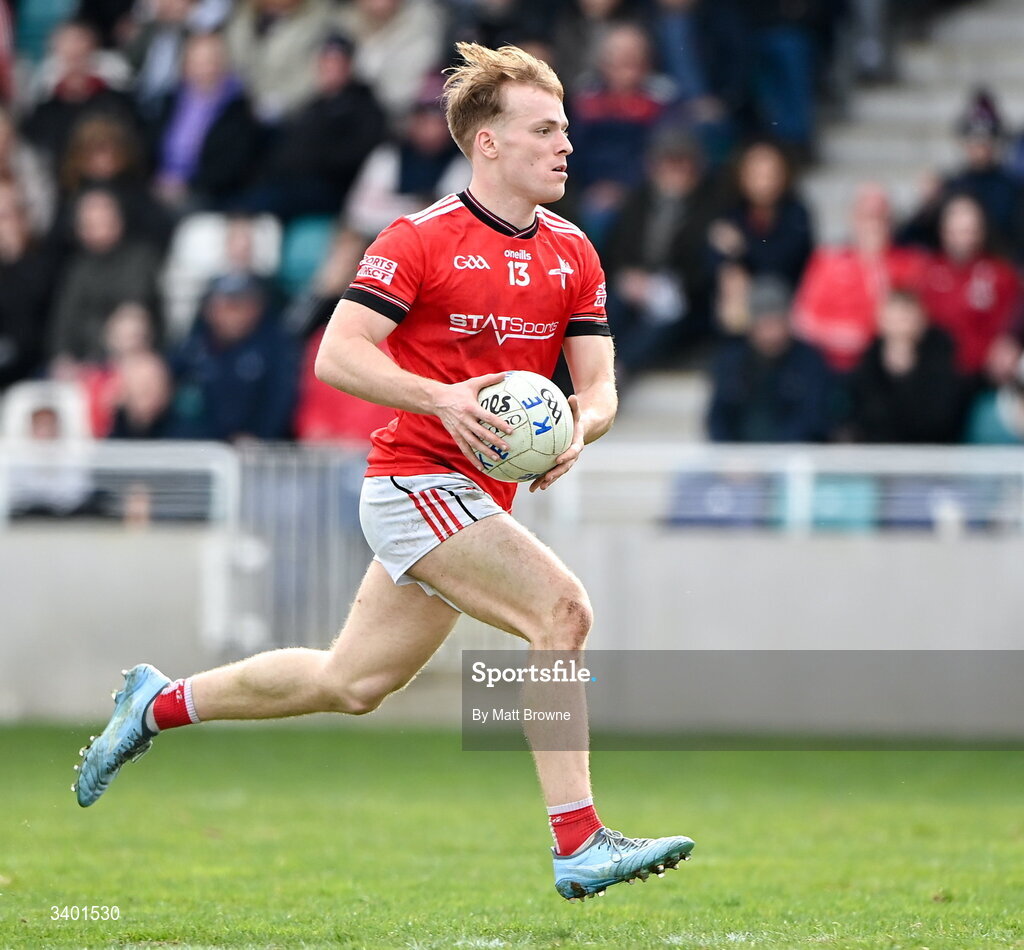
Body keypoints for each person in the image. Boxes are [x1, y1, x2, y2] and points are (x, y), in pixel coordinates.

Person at [73, 41, 694, 902]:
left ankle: (155, 703)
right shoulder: (419, 240)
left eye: (565, 129)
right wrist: (442, 400)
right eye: (544, 129)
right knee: (562, 612)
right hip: (411, 483)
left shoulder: (573, 253)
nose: (566, 146)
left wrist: (575, 431)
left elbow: (599, 388)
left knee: (351, 681)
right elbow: (337, 354)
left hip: (475, 495)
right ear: (488, 143)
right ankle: (579, 842)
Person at [707, 275, 832, 442]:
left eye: (777, 323)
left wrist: (771, 457)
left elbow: (811, 419)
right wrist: (733, 457)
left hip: (793, 455)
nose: (772, 333)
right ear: (752, 326)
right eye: (765, 325)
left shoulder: (809, 361)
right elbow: (718, 418)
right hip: (739, 460)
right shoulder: (731, 361)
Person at [847, 288, 964, 444]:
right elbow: (864, 418)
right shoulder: (868, 364)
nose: (901, 324)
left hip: (930, 453)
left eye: (906, 316)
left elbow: (941, 419)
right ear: (881, 320)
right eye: (895, 317)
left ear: (922, 321)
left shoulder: (941, 362)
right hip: (878, 454)